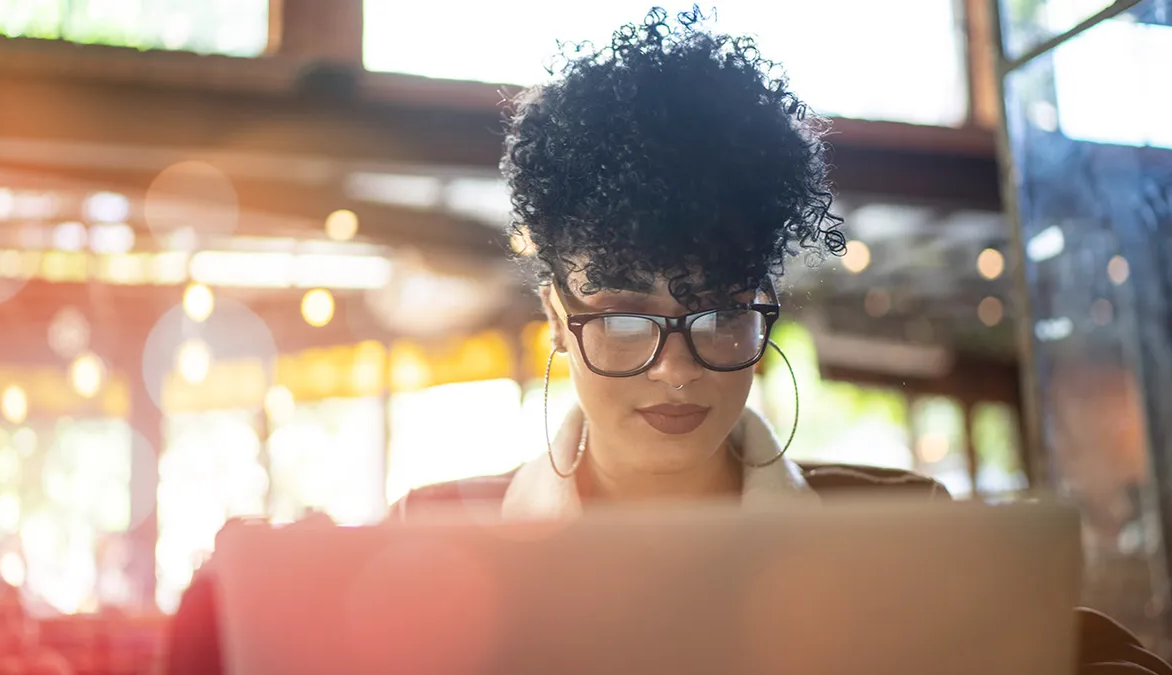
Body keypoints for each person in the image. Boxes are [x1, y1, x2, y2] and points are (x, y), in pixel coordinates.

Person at [167, 7, 1171, 674]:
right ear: (561, 317)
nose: (678, 363)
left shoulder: (899, 534)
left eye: (718, 312)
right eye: (627, 318)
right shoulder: (437, 535)